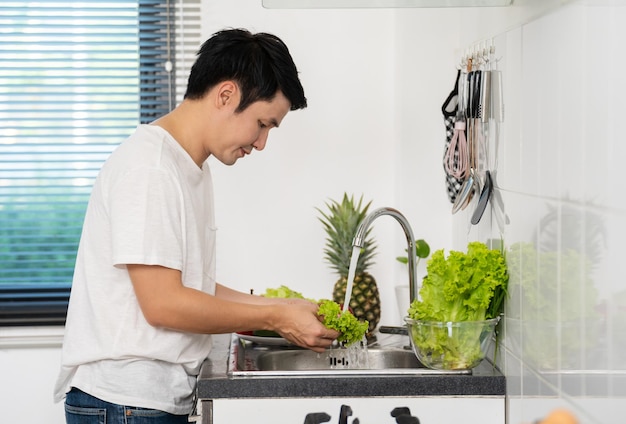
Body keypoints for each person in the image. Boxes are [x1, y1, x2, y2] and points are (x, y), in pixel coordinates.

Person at [54, 28, 339, 423]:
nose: (261, 143)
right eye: (263, 123)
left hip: (142, 403)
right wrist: (274, 317)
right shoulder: (151, 169)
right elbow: (163, 303)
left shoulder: (189, 167)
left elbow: (192, 286)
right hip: (125, 404)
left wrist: (284, 307)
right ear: (226, 95)